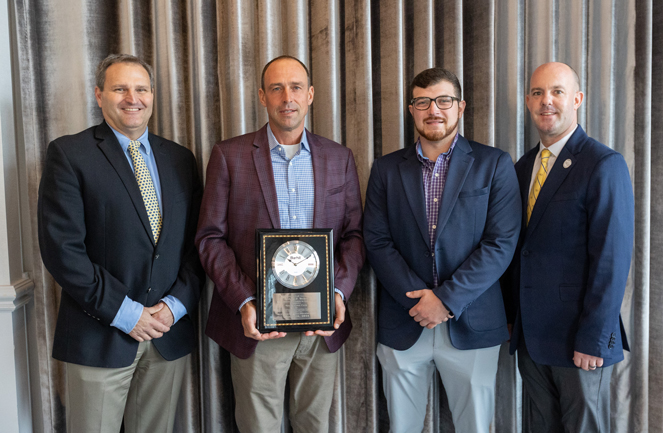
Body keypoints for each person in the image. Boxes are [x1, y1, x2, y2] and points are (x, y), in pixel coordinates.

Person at [196, 55, 364, 432]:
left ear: (310, 95)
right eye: (276, 88)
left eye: (296, 87)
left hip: (321, 327)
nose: (287, 97)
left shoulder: (339, 158)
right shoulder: (229, 155)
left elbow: (354, 235)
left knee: (315, 425)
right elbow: (210, 238)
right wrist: (243, 301)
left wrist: (337, 292)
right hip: (257, 325)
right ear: (262, 96)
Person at [37, 54, 204, 433]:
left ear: (153, 95)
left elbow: (197, 245)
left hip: (166, 335)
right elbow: (63, 251)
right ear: (99, 95)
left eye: (141, 88)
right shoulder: (69, 154)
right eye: (120, 88)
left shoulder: (179, 158)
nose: (133, 98)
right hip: (99, 336)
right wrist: (127, 314)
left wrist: (173, 307)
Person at [364, 67, 522, 433]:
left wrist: (446, 300)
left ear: (460, 106)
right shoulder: (386, 169)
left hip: (473, 322)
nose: (433, 109)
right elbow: (376, 240)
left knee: (475, 427)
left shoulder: (494, 164)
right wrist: (420, 303)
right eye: (423, 101)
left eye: (443, 100)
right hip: (404, 322)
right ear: (411, 109)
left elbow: (501, 243)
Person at [505, 62, 633, 432]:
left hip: (580, 341)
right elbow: (520, 251)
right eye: (538, 93)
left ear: (576, 99)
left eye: (557, 92)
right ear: (528, 102)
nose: (547, 101)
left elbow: (611, 259)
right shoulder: (522, 167)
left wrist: (594, 337)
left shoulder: (603, 164)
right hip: (530, 339)